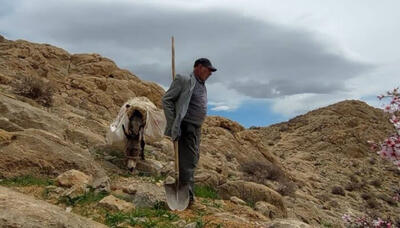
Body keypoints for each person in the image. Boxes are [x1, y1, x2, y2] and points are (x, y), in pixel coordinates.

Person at [162, 58, 217, 206]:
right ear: (198, 67)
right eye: (208, 70)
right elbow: (167, 100)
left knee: (192, 160)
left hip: (195, 128)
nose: (210, 73)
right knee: (188, 162)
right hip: (185, 127)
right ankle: (188, 197)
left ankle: (185, 192)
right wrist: (174, 124)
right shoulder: (184, 79)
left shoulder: (201, 84)